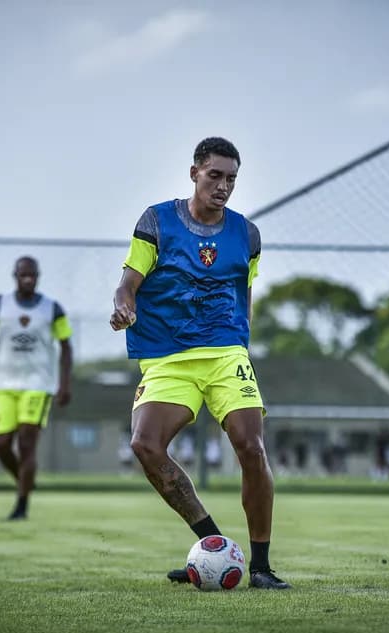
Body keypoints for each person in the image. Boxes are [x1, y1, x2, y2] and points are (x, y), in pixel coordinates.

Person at [109, 136, 290, 590]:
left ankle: (263, 568)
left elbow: (243, 293)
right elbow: (128, 283)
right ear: (194, 173)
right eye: (215, 176)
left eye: (231, 179)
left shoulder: (247, 234)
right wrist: (124, 306)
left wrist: (240, 343)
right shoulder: (157, 220)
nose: (223, 186)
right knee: (145, 446)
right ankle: (213, 545)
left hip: (226, 353)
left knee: (252, 446)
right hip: (168, 356)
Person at [0, 256, 73, 520]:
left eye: (32, 275)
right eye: (23, 275)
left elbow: (66, 346)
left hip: (37, 385)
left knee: (27, 444)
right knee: (0, 444)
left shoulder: (53, 309)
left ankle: (21, 506)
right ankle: (24, 480)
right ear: (14, 276)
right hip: (2, 382)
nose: (28, 279)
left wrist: (65, 383)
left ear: (38, 277)